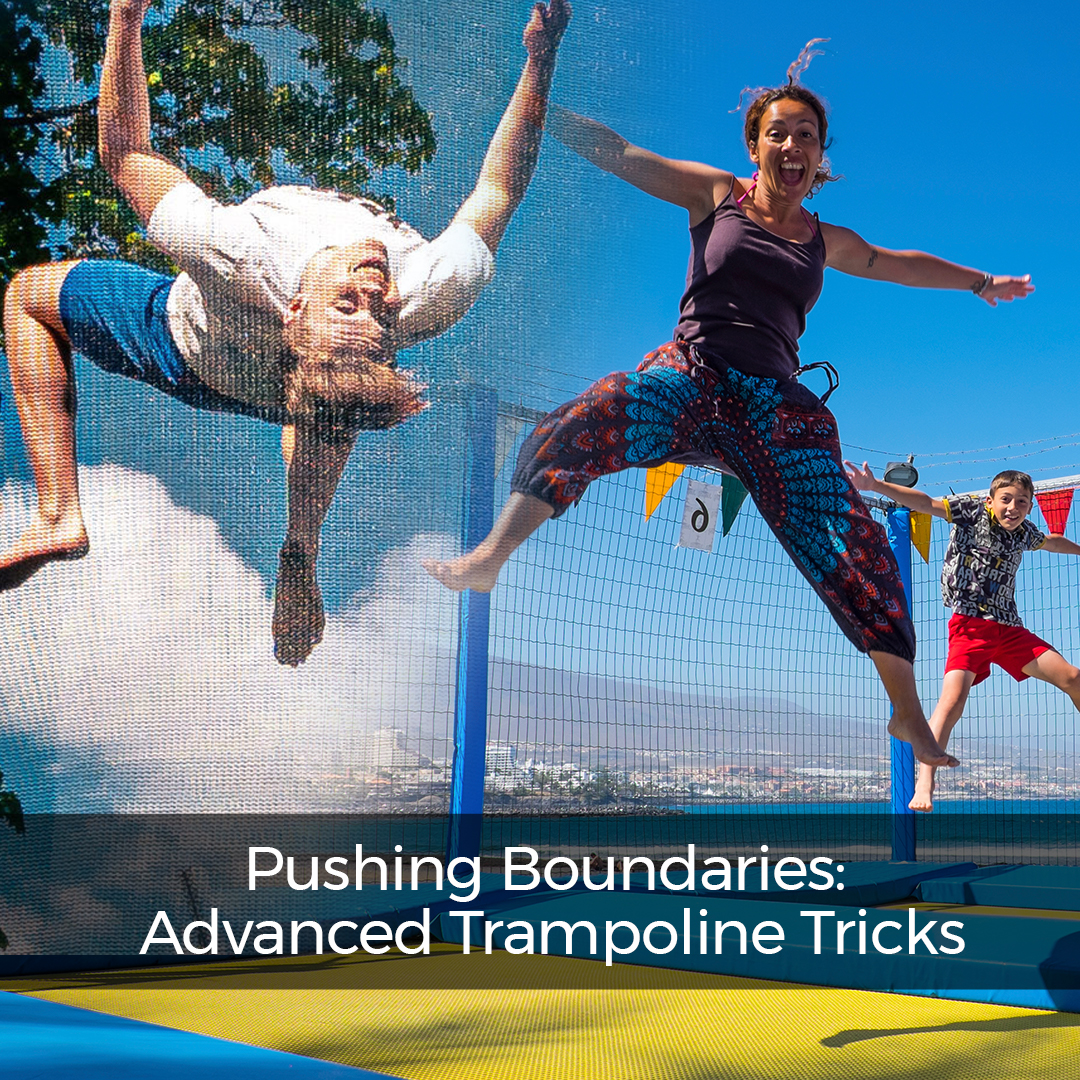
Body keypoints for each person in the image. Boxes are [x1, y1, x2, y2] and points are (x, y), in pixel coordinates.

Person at [424, 42, 1035, 768]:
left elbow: (895, 264)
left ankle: (908, 715)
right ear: (755, 145)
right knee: (592, 414)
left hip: (774, 406)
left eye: (806, 136)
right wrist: (537, 99)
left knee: (856, 542)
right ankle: (491, 558)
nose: (792, 145)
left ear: (818, 159)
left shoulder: (823, 239)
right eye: (778, 132)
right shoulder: (716, 197)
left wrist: (981, 280)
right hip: (693, 374)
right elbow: (620, 152)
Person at [1, 0, 571, 666]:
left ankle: (57, 512)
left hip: (179, 347)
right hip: (246, 369)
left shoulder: (236, 250)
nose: (376, 292)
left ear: (297, 309)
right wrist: (542, 55)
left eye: (352, 305)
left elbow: (124, 150)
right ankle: (299, 551)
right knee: (336, 398)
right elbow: (500, 188)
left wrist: (126, 16)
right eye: (379, 316)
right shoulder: (429, 292)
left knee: (23, 297)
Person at [847, 464, 1080, 810]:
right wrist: (876, 486)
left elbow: (1052, 542)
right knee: (951, 705)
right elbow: (924, 503)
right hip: (969, 627)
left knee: (1073, 677)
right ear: (990, 499)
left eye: (1022, 502)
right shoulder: (971, 512)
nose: (1013, 508)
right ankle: (924, 784)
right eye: (1006, 500)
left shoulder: (1024, 533)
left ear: (1030, 508)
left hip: (1009, 628)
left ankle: (913, 747)